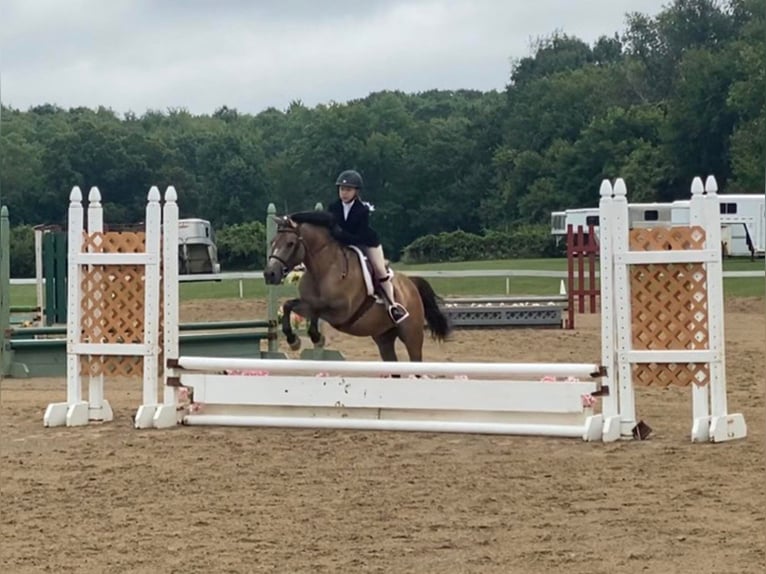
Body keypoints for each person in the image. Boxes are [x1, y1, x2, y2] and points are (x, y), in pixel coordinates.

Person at [327, 169, 409, 324]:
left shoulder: (362, 210)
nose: (344, 193)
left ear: (356, 192)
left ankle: (392, 305)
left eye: (348, 190)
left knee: (379, 270)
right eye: (342, 189)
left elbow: (360, 236)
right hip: (342, 244)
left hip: (366, 243)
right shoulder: (333, 207)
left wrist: (340, 234)